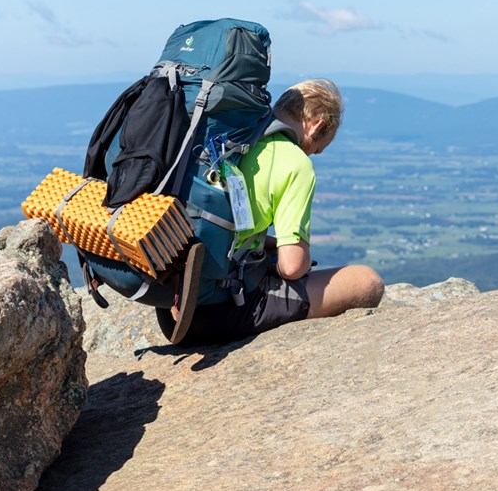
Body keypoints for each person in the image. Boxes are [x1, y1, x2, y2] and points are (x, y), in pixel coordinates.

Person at [158, 78, 385, 345]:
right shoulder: (295, 162)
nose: (311, 154)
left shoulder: (232, 139)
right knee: (367, 281)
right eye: (316, 148)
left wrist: (266, 245)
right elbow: (291, 268)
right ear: (317, 126)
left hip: (170, 307)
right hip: (220, 312)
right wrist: (280, 260)